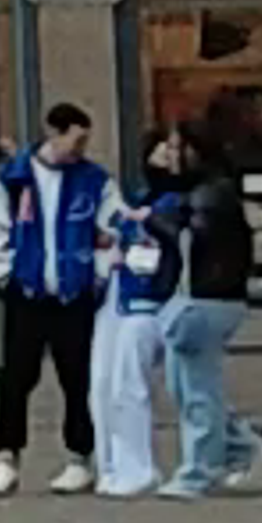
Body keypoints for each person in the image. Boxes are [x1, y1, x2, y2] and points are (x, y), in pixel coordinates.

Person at [0, 102, 107, 497]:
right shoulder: (10, 181)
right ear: (55, 133)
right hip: (26, 293)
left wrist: (96, 273)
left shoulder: (94, 181)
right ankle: (7, 456)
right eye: (76, 139)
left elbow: (110, 227)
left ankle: (80, 457)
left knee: (76, 377)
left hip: (73, 294)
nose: (81, 148)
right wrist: (3, 275)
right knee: (14, 377)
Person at [151, 128, 262, 494]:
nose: (169, 155)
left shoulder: (211, 194)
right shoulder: (206, 190)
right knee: (185, 385)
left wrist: (154, 221)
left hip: (205, 298)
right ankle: (236, 444)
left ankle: (200, 470)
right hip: (203, 298)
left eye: (176, 148)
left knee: (198, 390)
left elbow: (193, 237)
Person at [92, 146, 180, 499]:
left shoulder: (175, 203)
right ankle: (118, 465)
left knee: (133, 386)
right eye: (161, 150)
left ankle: (135, 468)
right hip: (128, 296)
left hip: (154, 302)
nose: (165, 158)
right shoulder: (140, 200)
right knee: (112, 385)